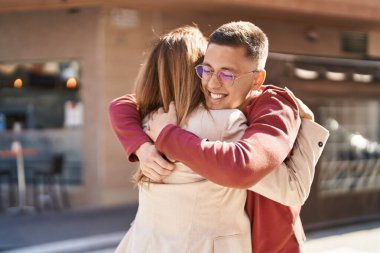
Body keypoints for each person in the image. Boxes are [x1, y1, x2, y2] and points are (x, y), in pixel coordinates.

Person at [109, 23, 329, 252]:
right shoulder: (222, 124)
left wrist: (146, 144)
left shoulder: (149, 119)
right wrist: (308, 127)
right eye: (206, 70)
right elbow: (292, 189)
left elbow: (120, 104)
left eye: (227, 74)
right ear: (193, 73)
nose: (212, 83)